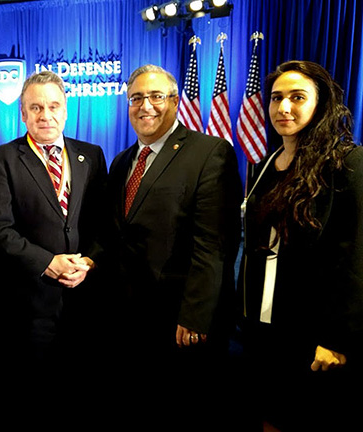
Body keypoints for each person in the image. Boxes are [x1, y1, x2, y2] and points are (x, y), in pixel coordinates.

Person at [101, 64, 242, 424]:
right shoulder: (121, 162)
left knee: (183, 410)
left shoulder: (210, 152)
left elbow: (214, 243)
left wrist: (195, 316)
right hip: (129, 317)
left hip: (179, 320)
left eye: (156, 96)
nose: (145, 105)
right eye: (136, 98)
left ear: (175, 101)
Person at [239, 60, 363, 430]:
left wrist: (336, 339)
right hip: (263, 327)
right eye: (276, 98)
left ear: (320, 103)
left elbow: (355, 256)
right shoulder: (263, 165)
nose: (284, 108)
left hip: (315, 333)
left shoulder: (348, 163)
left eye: (297, 97)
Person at [0, 71, 107, 390]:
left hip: (84, 297)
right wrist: (49, 263)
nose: (45, 115)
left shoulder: (91, 155)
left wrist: (89, 262)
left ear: (65, 110)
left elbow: (102, 222)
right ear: (23, 113)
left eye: (53, 106)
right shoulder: (1, 159)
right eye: (35, 107)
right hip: (30, 302)